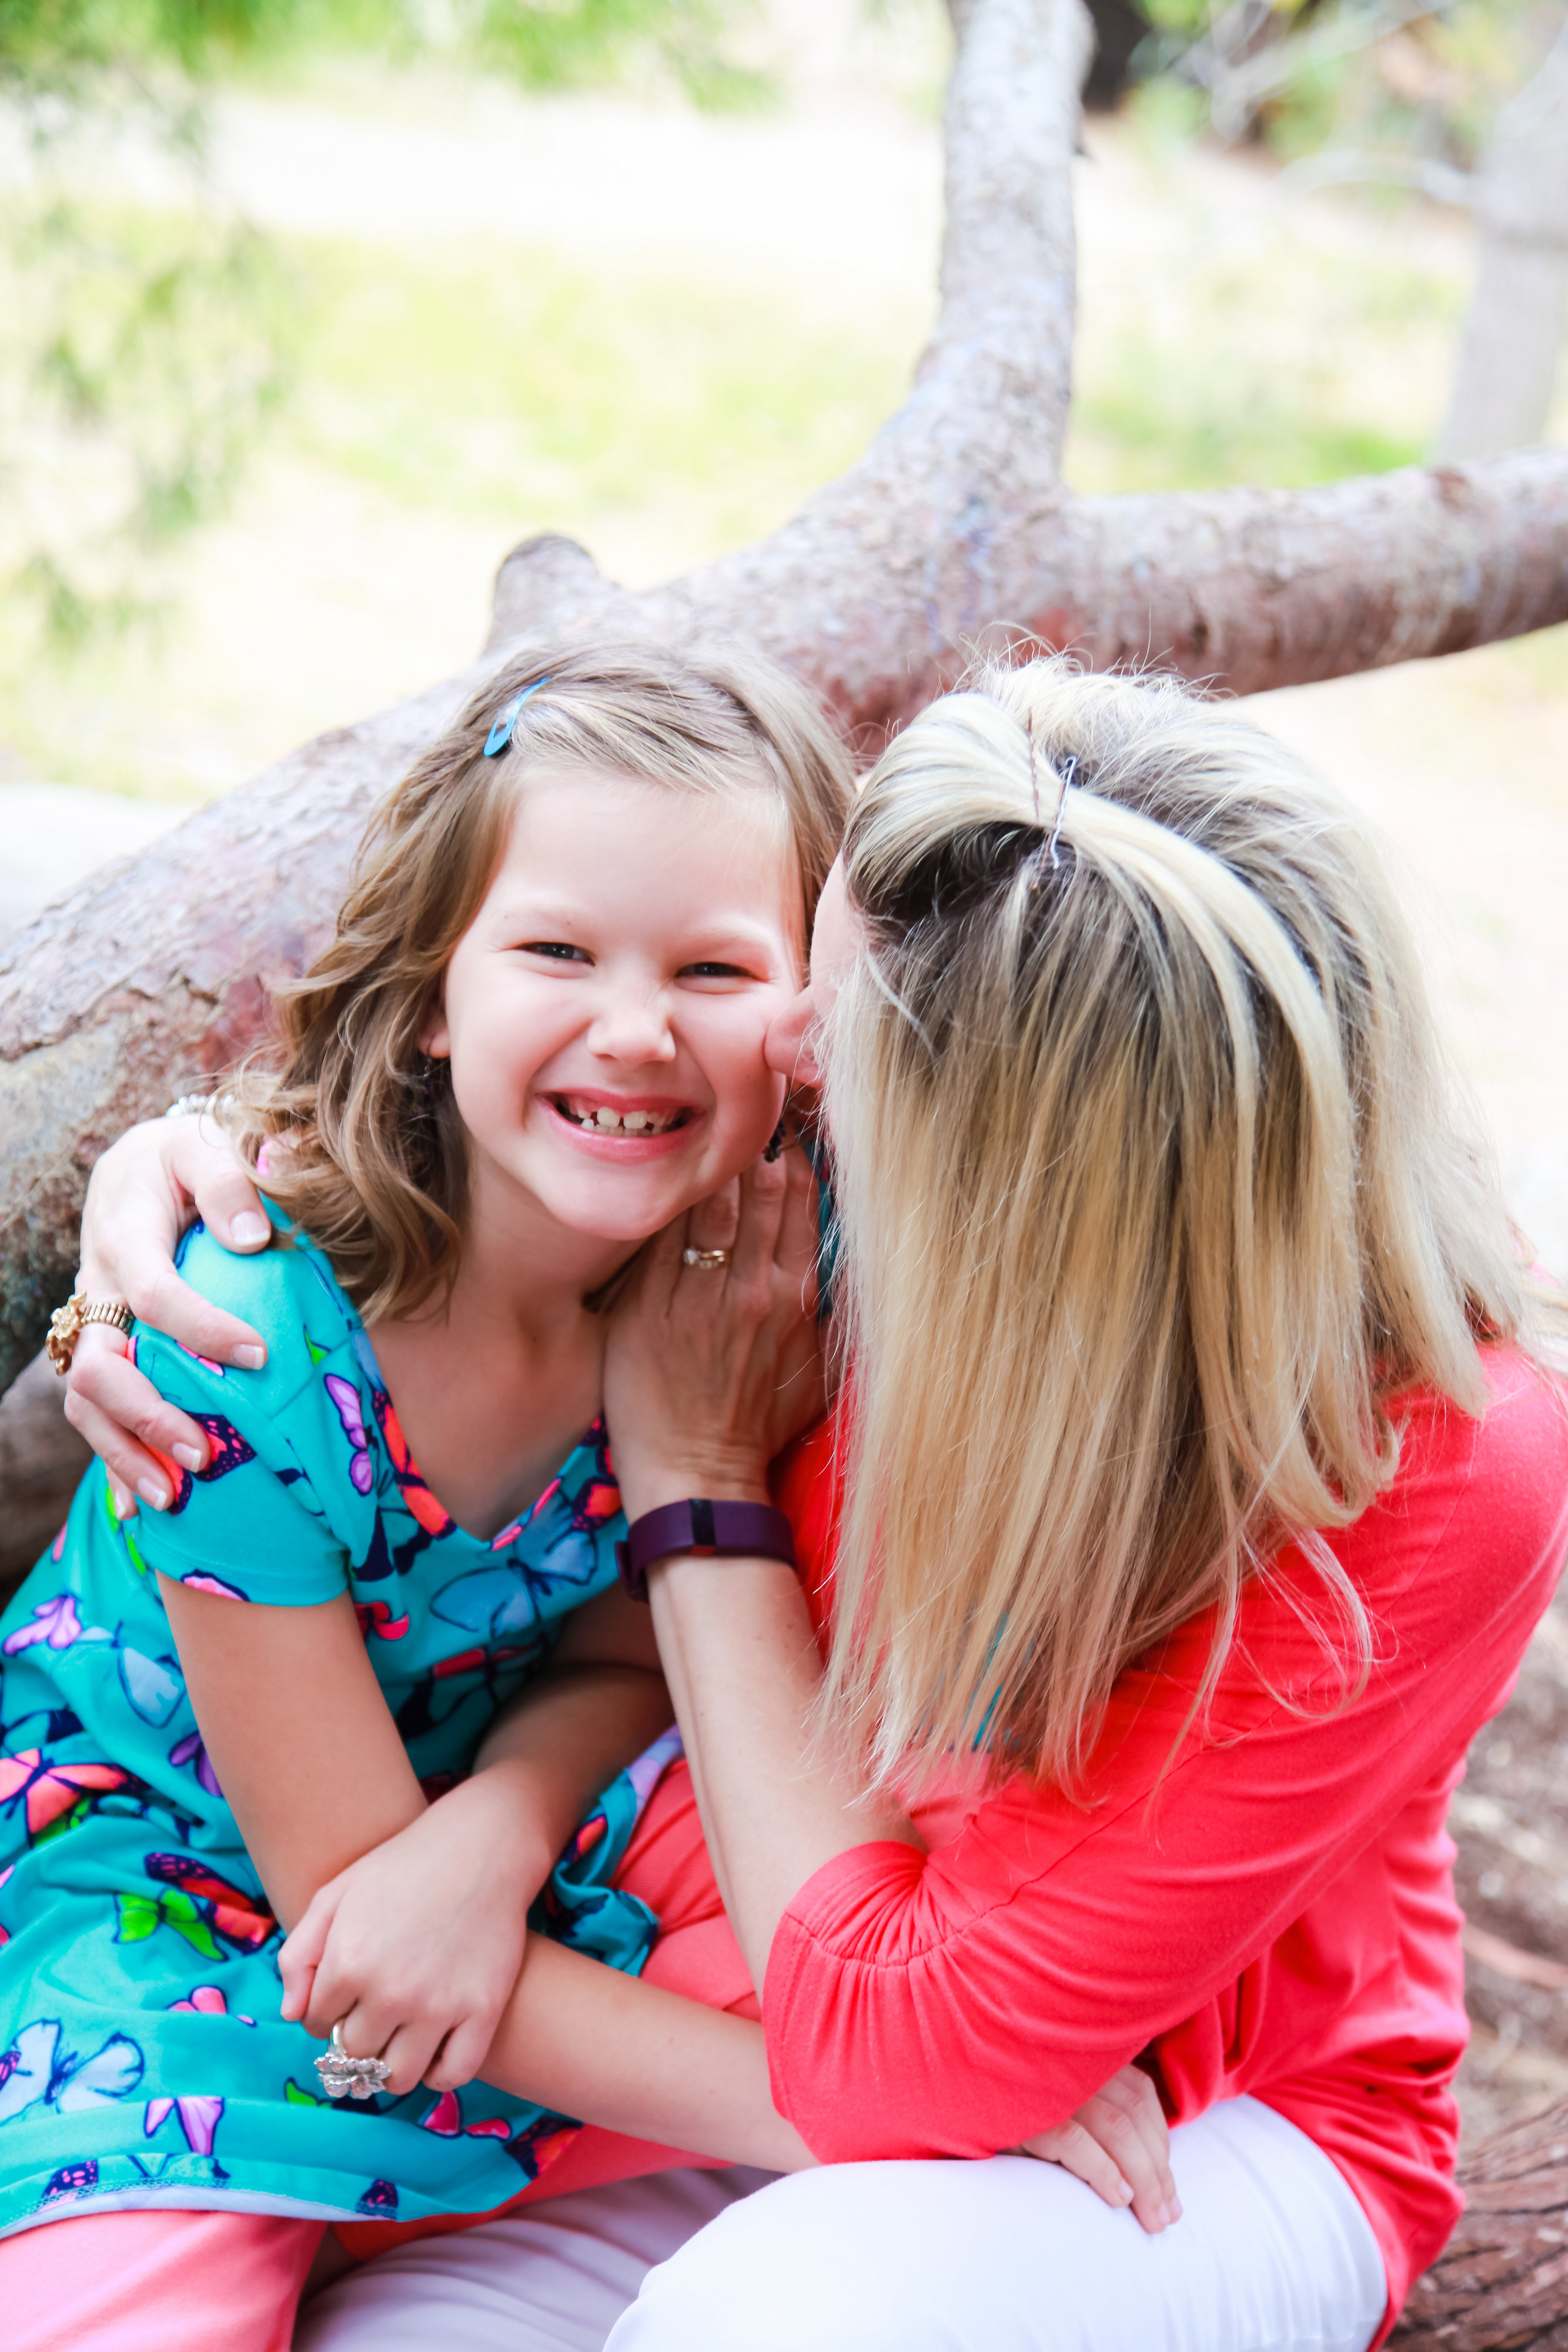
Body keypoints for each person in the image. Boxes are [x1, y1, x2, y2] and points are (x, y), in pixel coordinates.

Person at [66, 654, 1567, 2352]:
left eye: (828, 1013)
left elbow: (918, 2059)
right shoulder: (814, 1204)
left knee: (781, 2325)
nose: (776, 1039)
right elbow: (485, 1082)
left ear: (1011, 1158)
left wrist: (700, 1486)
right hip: (751, 2026)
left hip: (1171, 2116)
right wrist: (174, 1164)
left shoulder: (1431, 1447)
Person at [5, 643, 1163, 2352]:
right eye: (555, 950)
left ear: (813, 1017)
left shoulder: (765, 1268)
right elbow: (355, 1917)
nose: (633, 1028)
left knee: (939, 1918)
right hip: (179, 1897)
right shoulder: (234, 1345)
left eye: (715, 965)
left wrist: (503, 1821)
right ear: (428, 990)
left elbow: (642, 1630)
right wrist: (887, 2117)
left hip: (528, 1837)